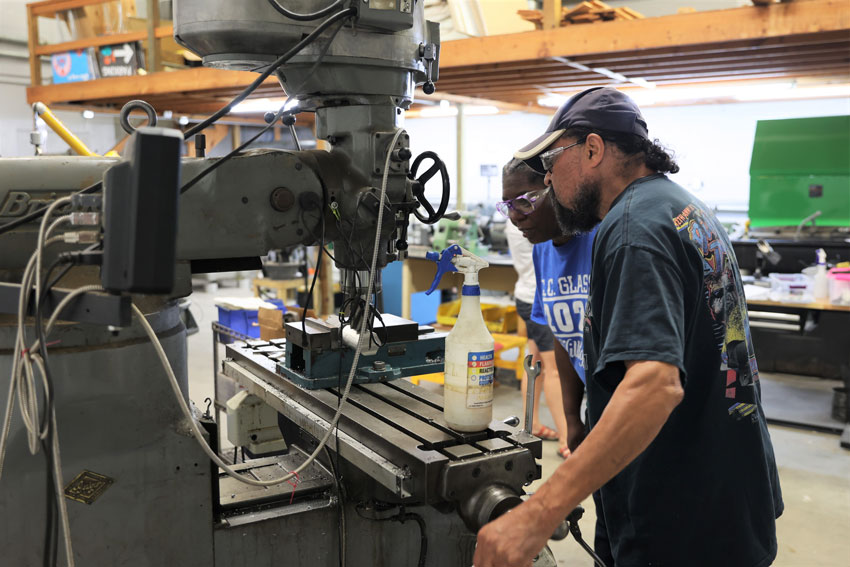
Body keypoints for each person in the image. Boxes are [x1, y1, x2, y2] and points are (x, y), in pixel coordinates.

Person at [473, 87, 783, 567]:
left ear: (593, 150)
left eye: (553, 164)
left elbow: (654, 386)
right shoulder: (679, 206)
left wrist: (537, 514)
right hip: (730, 491)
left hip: (679, 515)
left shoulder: (633, 230)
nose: (550, 181)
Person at [503, 192, 569, 458]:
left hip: (524, 295)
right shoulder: (537, 219)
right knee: (553, 370)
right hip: (540, 298)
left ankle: (534, 424)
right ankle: (567, 438)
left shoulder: (513, 219)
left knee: (535, 364)